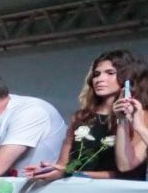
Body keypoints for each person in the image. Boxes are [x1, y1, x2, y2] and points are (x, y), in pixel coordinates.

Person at [24, 50, 147, 183]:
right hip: (76, 191)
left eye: (110, 73)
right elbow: (64, 165)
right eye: (96, 74)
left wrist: (72, 174)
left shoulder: (141, 116)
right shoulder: (81, 117)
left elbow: (127, 172)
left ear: (128, 78)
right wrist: (50, 170)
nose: (100, 79)